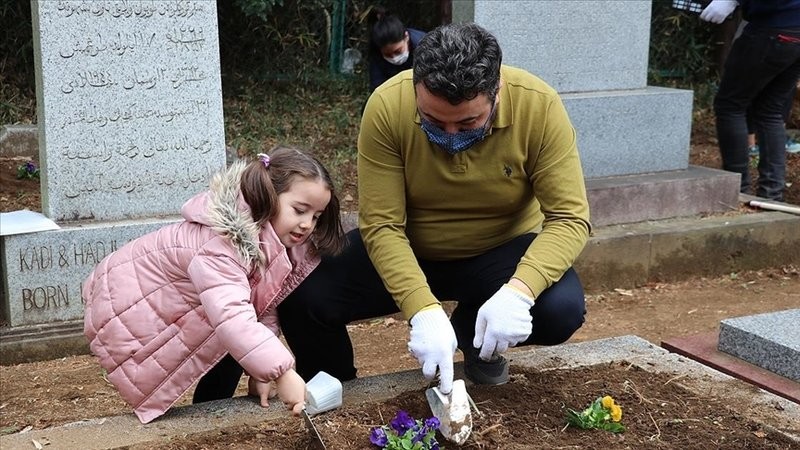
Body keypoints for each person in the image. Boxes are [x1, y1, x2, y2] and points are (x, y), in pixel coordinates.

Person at [279, 23, 590, 396]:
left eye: (467, 122)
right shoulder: (388, 105)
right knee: (303, 293)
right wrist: (423, 310)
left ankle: (475, 332)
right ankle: (333, 390)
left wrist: (518, 293)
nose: (450, 137)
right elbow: (382, 225)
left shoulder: (538, 106)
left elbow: (569, 219)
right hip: (410, 246)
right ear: (416, 90)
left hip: (498, 253)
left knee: (559, 310)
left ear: (497, 91)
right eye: (434, 121)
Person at [82, 147, 346, 423]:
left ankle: (213, 415)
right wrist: (282, 372)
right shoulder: (222, 245)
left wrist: (261, 370)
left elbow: (260, 304)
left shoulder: (270, 242)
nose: (307, 224)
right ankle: (208, 418)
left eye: (316, 216)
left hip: (184, 304)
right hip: (132, 302)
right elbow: (234, 316)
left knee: (231, 341)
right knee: (227, 332)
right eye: (300, 210)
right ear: (268, 196)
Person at [700, 0, 800, 201]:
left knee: (730, 105)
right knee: (769, 110)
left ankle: (738, 190)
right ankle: (772, 194)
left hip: (772, 26)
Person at [368, 6, 426, 93]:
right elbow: (377, 87)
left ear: (406, 37)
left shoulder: (424, 45)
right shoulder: (376, 51)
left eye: (397, 51)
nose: (394, 58)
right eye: (387, 55)